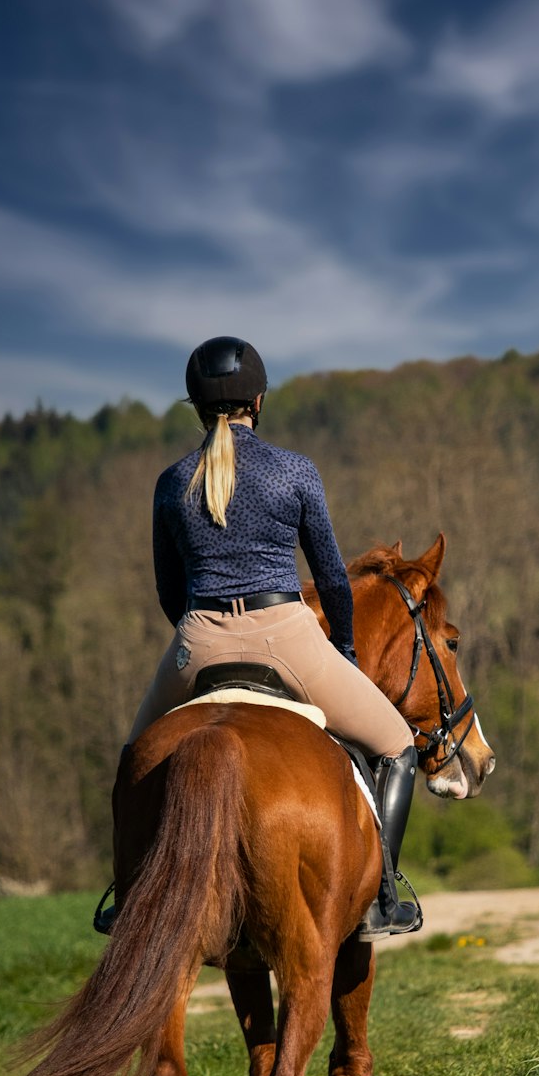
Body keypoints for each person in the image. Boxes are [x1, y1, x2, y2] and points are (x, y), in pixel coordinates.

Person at [116, 335, 419, 941]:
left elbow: (167, 592)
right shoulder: (294, 470)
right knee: (397, 743)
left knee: (132, 762)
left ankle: (125, 901)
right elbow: (333, 577)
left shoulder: (171, 482)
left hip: (196, 641)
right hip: (287, 635)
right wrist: (347, 656)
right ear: (259, 400)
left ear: (195, 406)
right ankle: (383, 891)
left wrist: (203, 636)